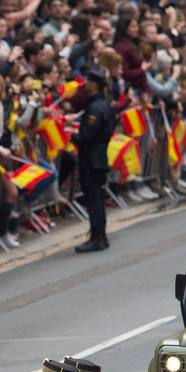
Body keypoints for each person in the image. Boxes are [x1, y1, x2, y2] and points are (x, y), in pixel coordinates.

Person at [74, 71, 117, 252]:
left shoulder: (95, 108)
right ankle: (98, 235)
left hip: (92, 160)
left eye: (89, 81)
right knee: (96, 198)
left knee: (94, 199)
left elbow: (87, 135)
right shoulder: (103, 104)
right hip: (98, 158)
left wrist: (71, 136)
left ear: (95, 84)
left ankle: (98, 237)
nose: (86, 84)